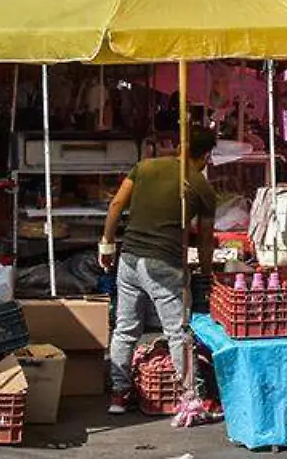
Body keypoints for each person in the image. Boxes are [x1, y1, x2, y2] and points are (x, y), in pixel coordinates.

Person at [100, 125, 218, 414]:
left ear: (180, 146)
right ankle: (188, 395)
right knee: (178, 331)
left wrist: (107, 244)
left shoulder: (145, 167)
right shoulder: (201, 186)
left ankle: (119, 394)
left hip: (129, 260)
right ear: (205, 156)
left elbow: (116, 205)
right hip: (164, 264)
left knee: (125, 329)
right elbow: (204, 240)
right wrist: (205, 274)